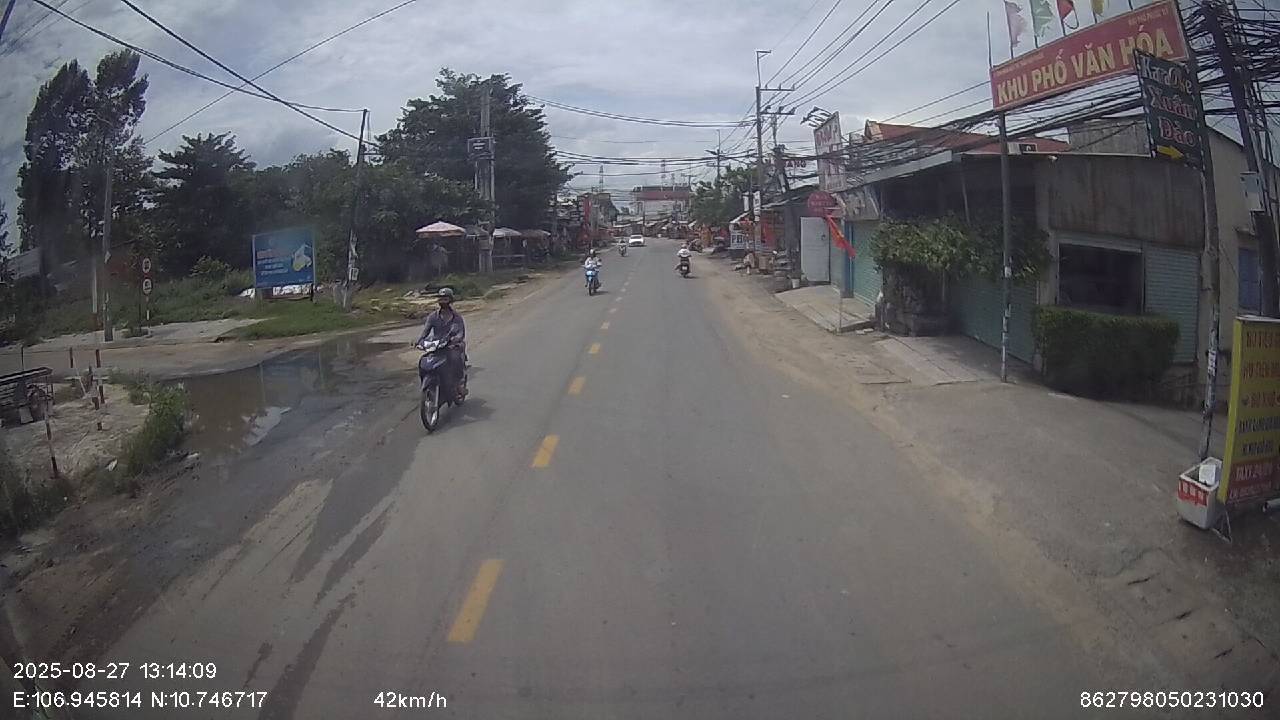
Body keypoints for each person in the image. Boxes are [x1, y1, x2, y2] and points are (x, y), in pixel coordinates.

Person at [416, 288, 467, 401]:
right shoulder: (433, 316)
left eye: (445, 299)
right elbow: (425, 331)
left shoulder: (456, 317)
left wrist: (455, 340)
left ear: (450, 300)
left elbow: (460, 333)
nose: (442, 301)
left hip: (453, 345)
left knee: (454, 358)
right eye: (441, 299)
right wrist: (420, 340)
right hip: (437, 345)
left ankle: (458, 385)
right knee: (424, 361)